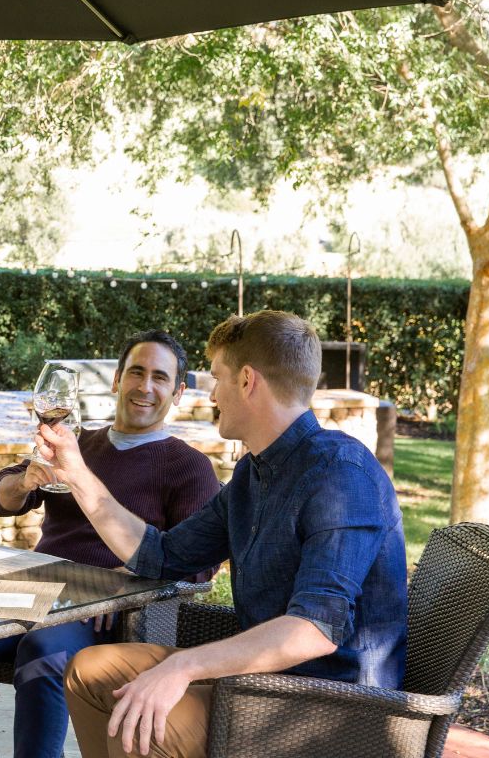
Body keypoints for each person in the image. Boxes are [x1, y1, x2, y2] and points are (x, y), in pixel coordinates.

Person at [54, 311, 408, 758]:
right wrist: (76, 473)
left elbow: (315, 630)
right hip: (262, 685)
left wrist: (185, 665)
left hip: (332, 709)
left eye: (217, 378)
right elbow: (160, 555)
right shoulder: (253, 474)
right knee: (90, 671)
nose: (212, 394)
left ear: (246, 381)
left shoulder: (340, 475)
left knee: (144, 721)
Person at [0, 330, 221, 758]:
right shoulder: (78, 442)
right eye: (136, 372)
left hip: (101, 613)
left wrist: (120, 586)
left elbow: (200, 561)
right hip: (30, 591)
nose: (145, 386)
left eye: (160, 378)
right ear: (116, 380)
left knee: (41, 652)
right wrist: (24, 479)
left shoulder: (189, 467)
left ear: (178, 392)